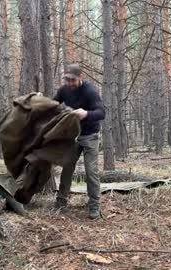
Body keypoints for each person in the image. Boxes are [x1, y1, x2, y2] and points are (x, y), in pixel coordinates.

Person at [53, 63, 105, 219]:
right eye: (67, 80)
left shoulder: (90, 91)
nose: (69, 83)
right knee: (67, 167)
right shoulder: (64, 90)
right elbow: (54, 103)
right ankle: (61, 202)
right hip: (73, 136)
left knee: (91, 171)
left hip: (90, 135)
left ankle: (94, 206)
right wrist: (42, 101)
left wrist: (86, 114)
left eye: (72, 80)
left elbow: (102, 113)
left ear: (80, 77)